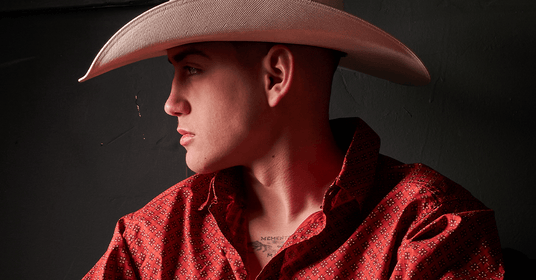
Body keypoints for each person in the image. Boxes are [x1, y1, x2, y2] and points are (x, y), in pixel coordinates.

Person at [80, 0, 504, 279]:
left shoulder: (426, 227)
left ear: (275, 76)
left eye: (192, 69)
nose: (171, 103)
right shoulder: (151, 239)